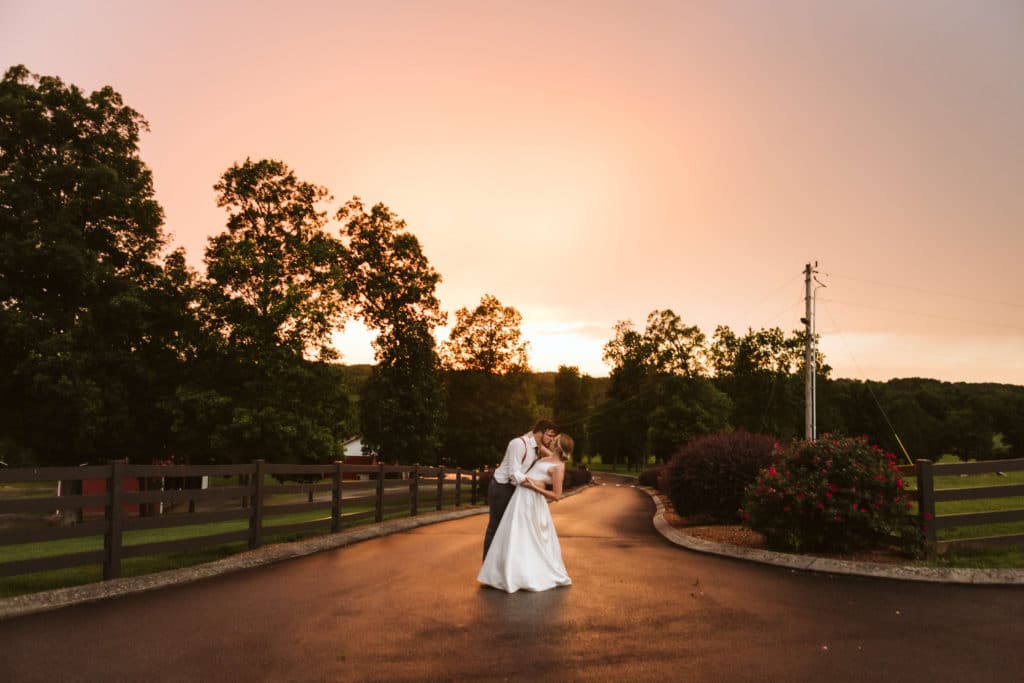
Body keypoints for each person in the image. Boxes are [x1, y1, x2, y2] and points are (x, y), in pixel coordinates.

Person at [477, 433, 574, 593]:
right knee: (512, 535)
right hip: (519, 498)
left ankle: (522, 576)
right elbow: (534, 440)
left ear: (557, 446)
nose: (550, 440)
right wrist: (536, 432)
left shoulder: (559, 467)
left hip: (533, 501)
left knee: (527, 537)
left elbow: (557, 495)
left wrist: (536, 487)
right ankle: (503, 573)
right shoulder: (547, 456)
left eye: (553, 439)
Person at [483, 419, 558, 560]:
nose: (551, 439)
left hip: (515, 489)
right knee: (495, 527)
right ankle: (487, 567)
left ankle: (502, 570)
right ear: (539, 433)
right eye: (549, 435)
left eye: (553, 437)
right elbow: (514, 473)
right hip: (501, 487)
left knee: (510, 530)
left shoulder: (536, 447)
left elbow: (554, 458)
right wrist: (534, 484)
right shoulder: (518, 443)